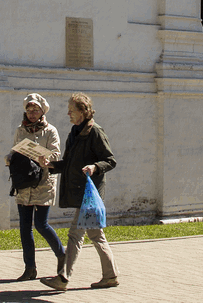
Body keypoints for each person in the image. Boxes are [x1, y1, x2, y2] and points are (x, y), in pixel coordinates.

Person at [40, 93, 117, 291]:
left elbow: (110, 160)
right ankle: (110, 276)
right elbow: (68, 163)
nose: (68, 113)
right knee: (95, 235)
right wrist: (51, 165)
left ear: (83, 111)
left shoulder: (95, 132)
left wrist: (94, 166)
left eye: (71, 110)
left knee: (76, 235)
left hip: (90, 194)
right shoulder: (74, 132)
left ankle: (63, 278)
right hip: (81, 192)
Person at [6, 94, 64, 281]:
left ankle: (62, 255)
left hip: (42, 182)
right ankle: (29, 268)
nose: (32, 113)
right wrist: (10, 158)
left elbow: (56, 154)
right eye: (29, 110)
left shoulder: (50, 131)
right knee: (24, 226)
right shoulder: (20, 130)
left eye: (35, 110)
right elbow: (15, 149)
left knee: (41, 224)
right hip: (23, 183)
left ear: (42, 111)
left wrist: (45, 159)